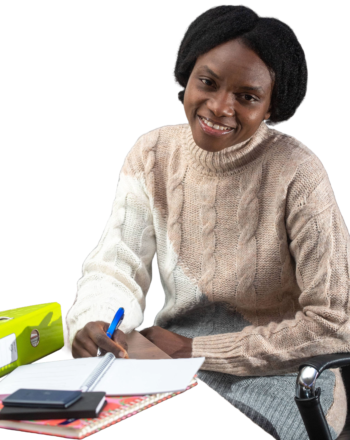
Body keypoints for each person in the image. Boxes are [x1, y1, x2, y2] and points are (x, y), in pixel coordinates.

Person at [65, 4, 349, 439]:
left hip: (282, 376)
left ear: (273, 106)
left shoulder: (300, 176)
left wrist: (199, 349)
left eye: (247, 96)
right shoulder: (152, 154)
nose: (219, 107)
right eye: (208, 83)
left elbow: (333, 325)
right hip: (164, 361)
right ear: (187, 75)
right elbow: (116, 267)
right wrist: (97, 321)